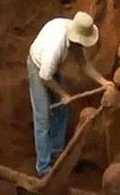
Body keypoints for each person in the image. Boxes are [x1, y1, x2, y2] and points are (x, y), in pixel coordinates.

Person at [28, 11, 114, 177]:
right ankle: (43, 167)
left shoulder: (76, 35)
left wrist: (104, 82)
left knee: (61, 111)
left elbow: (84, 65)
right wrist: (62, 94)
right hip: (37, 66)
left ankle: (56, 151)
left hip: (52, 68)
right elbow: (44, 76)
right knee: (43, 117)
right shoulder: (56, 45)